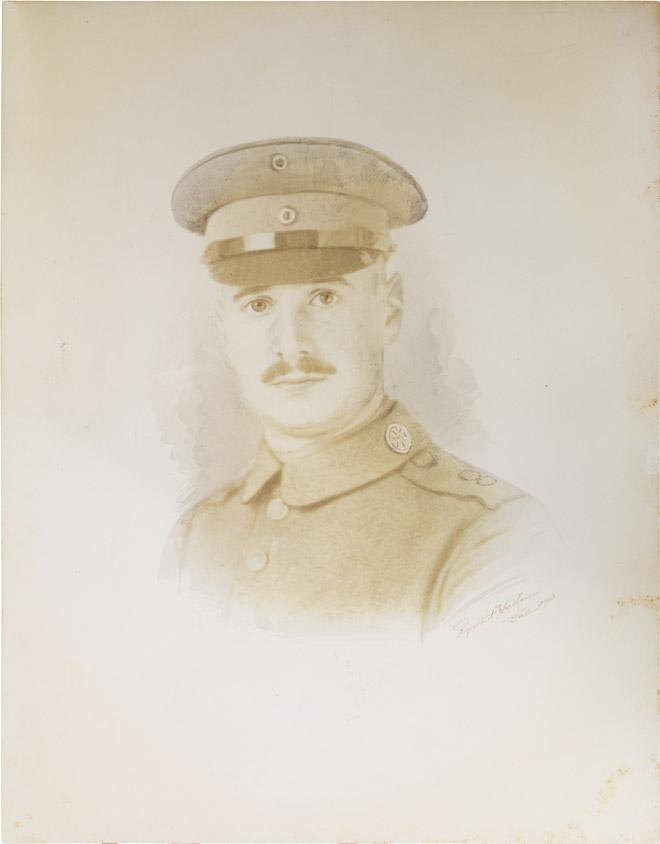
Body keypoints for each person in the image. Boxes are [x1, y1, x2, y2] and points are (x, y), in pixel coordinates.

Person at [163, 137, 559, 639]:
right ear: (225, 332)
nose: (291, 344)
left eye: (324, 297)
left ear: (388, 309)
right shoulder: (196, 537)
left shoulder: (490, 535)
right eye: (258, 305)